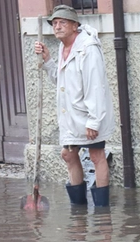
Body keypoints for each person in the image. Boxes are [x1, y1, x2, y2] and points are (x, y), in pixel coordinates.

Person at [34, 5, 115, 207]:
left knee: (96, 156)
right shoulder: (63, 48)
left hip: (88, 115)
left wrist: (94, 121)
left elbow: (95, 87)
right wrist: (48, 60)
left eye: (62, 22)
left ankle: (102, 210)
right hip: (72, 117)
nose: (57, 27)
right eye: (54, 23)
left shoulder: (88, 48)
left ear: (74, 25)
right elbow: (62, 81)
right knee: (68, 154)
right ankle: (78, 208)